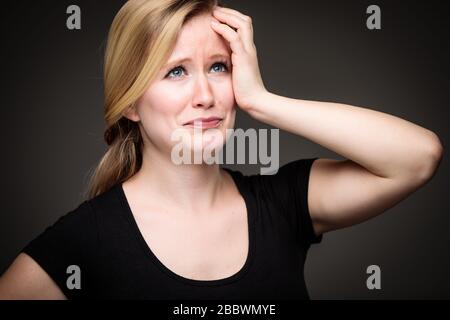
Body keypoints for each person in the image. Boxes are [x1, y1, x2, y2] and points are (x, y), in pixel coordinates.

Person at [0, 0, 443, 300]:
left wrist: (262, 101)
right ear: (131, 102)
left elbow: (417, 157)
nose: (206, 95)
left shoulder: (283, 203)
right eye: (175, 72)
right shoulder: (84, 239)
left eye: (218, 67)